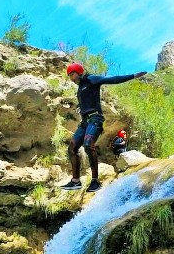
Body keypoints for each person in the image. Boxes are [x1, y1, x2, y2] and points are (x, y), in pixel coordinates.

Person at [61, 62, 147, 192]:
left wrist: (133, 76)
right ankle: (75, 181)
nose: (71, 78)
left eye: (72, 74)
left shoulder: (91, 79)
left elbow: (112, 79)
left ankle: (95, 181)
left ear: (79, 72)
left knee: (88, 144)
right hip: (85, 122)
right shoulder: (80, 88)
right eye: (69, 76)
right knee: (72, 148)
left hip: (95, 119)